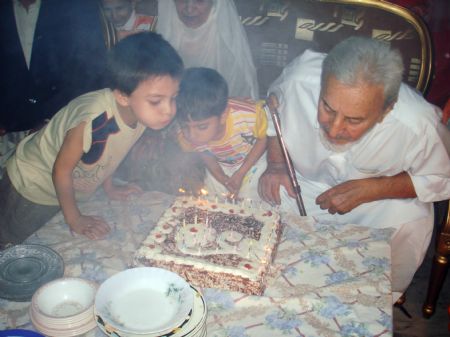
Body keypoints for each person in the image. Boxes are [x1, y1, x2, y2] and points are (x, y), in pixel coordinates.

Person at [258, 37, 450, 302]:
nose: (335, 129)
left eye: (354, 120)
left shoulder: (417, 122)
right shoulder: (299, 80)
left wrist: (372, 189)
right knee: (254, 195)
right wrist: (277, 164)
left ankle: (371, 299)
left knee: (411, 221)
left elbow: (440, 176)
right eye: (327, 108)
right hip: (300, 183)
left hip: (376, 205)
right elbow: (272, 113)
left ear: (386, 111)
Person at [0, 32, 183, 247]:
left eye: (174, 98)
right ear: (122, 96)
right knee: (13, 245)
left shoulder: (141, 113)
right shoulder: (93, 121)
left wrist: (110, 188)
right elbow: (61, 170)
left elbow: (111, 152)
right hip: (33, 185)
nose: (168, 111)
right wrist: (74, 218)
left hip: (63, 186)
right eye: (156, 101)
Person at [0, 0, 108, 177]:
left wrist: (52, 119)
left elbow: (92, 73)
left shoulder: (75, 6)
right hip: (10, 131)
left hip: (62, 126)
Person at [176, 67, 267, 200]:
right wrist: (222, 178)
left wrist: (241, 172)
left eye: (202, 127)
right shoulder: (186, 133)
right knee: (213, 201)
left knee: (249, 201)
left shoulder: (248, 115)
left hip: (253, 161)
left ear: (223, 115)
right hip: (220, 165)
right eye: (185, 127)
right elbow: (206, 154)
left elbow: (264, 138)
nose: (192, 135)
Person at [157, 0, 259, 99]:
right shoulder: (166, 34)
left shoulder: (228, 46)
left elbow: (240, 99)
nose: (189, 8)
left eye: (199, 1)